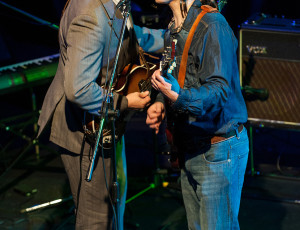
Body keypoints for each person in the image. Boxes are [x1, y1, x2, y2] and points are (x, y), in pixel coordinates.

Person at [37, 0, 164, 229]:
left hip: (104, 122)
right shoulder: (91, 15)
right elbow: (80, 89)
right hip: (85, 130)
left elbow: (131, 36)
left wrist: (177, 38)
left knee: (113, 211)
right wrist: (125, 102)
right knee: (98, 219)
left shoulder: (115, 3)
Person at [146, 0, 249, 229]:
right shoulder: (174, 27)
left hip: (218, 151)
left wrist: (178, 97)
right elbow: (178, 76)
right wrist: (162, 102)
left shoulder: (212, 24)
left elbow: (219, 90)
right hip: (190, 148)